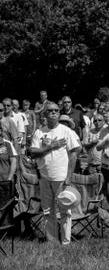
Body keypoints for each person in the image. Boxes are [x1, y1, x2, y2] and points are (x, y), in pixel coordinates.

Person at [28, 102, 81, 244]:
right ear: (45, 114)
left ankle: (65, 241)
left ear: (59, 113)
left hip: (61, 177)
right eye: (50, 110)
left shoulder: (66, 131)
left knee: (64, 210)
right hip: (44, 177)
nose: (53, 112)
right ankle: (52, 241)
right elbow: (32, 152)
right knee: (47, 211)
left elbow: (74, 153)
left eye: (56, 110)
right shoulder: (39, 132)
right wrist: (52, 146)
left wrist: (69, 177)